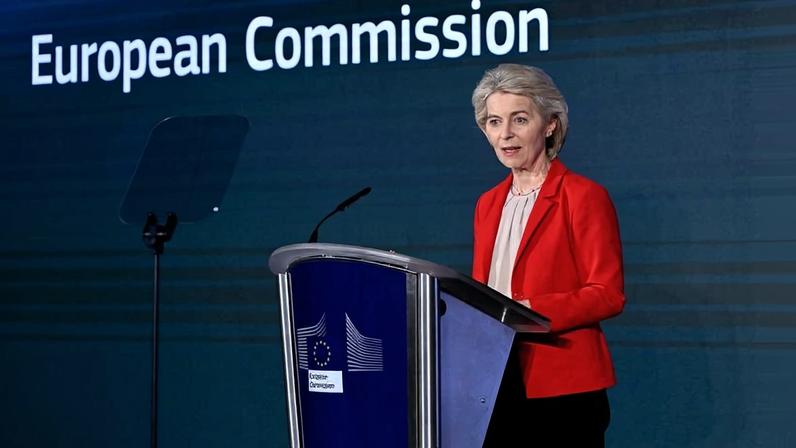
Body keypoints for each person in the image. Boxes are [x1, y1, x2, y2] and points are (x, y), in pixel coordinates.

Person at [471, 64, 625, 447]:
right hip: (495, 380)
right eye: (493, 122)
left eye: (519, 119)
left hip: (564, 386)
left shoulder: (583, 196)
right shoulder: (487, 204)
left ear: (550, 125)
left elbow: (607, 293)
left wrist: (529, 310)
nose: (505, 134)